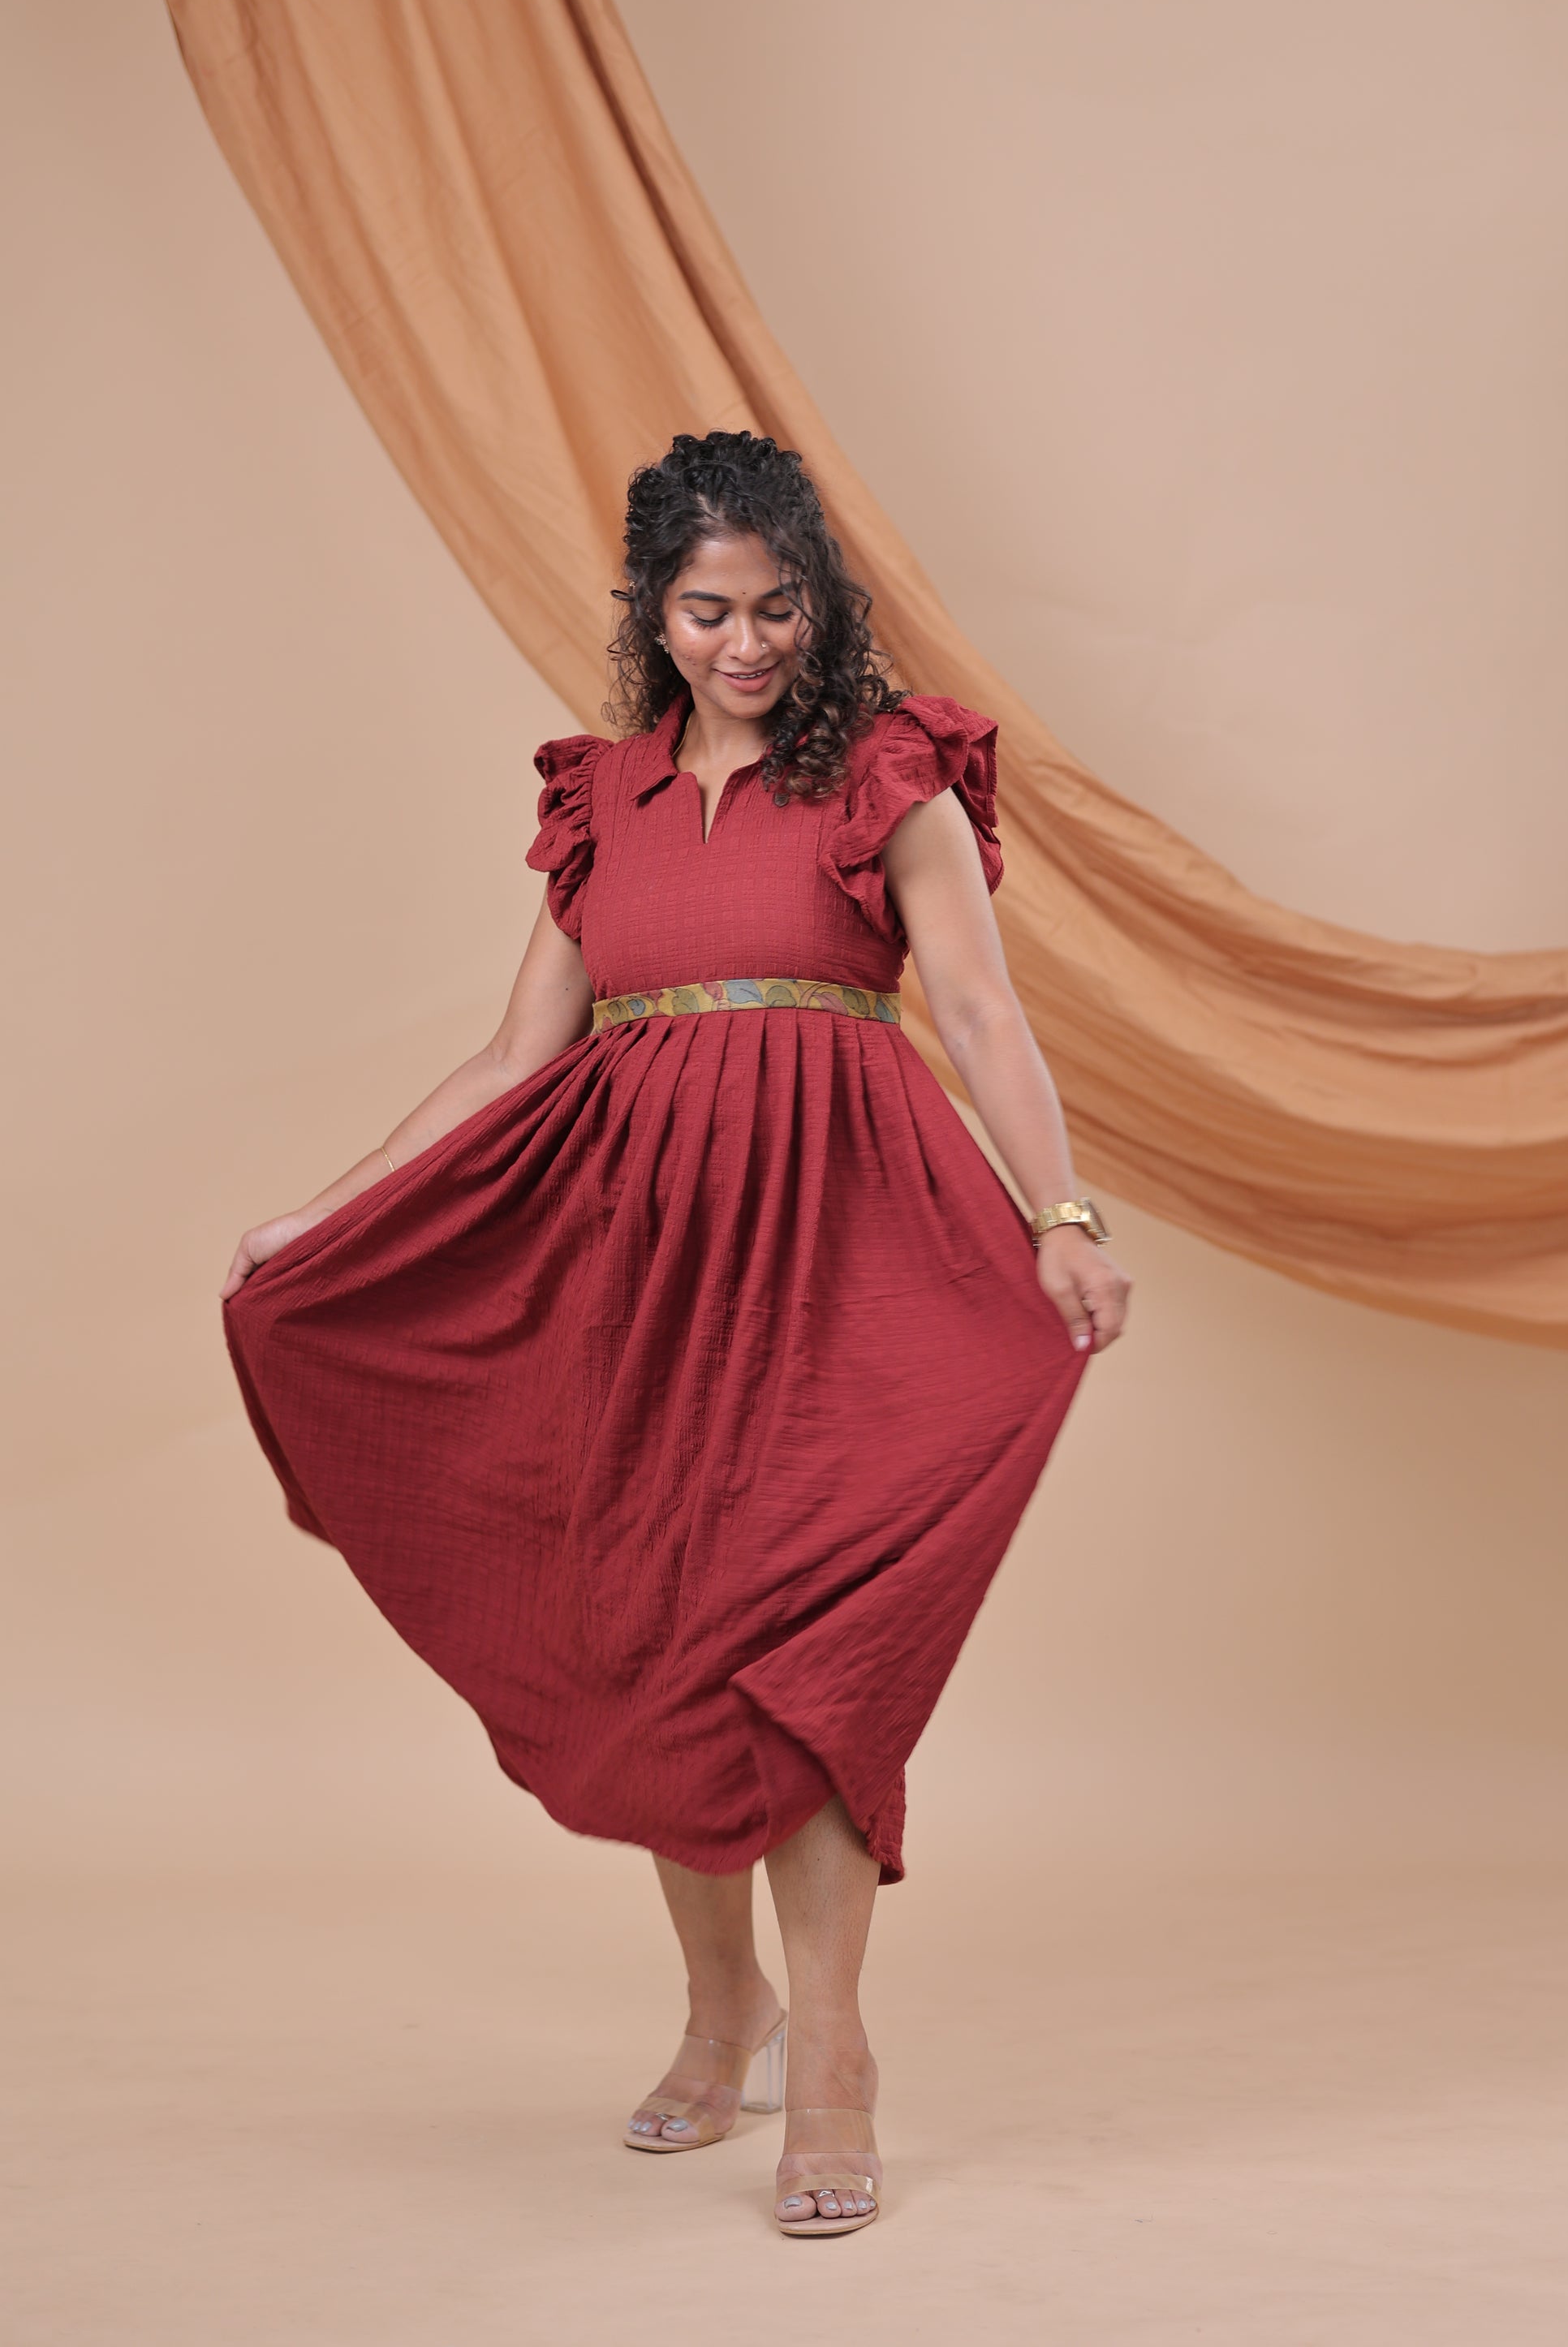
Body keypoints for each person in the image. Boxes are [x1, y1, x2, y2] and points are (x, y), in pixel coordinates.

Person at [221, 428, 1130, 2237]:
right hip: (639, 1273)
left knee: (807, 1651)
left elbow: (975, 1008)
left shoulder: (887, 771)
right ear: (651, 609)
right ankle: (727, 2013)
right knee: (653, 1629)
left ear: (821, 603)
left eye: (779, 607)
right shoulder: (605, 802)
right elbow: (514, 1056)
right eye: (709, 611)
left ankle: (835, 2056)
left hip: (842, 1257)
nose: (748, 643)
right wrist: (321, 1215)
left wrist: (1063, 1212)